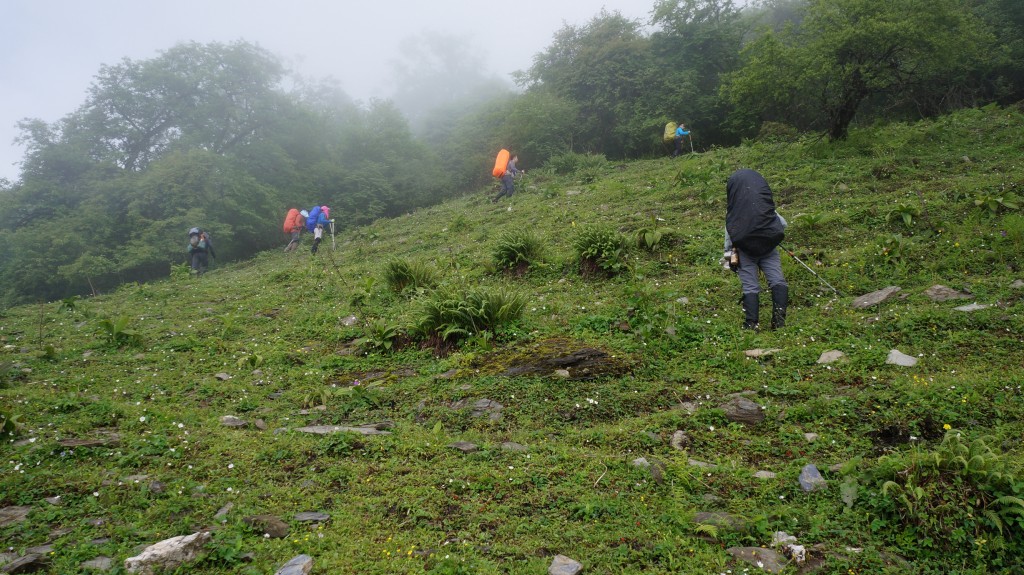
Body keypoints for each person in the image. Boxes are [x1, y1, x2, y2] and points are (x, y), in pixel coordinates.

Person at [722, 169, 788, 329]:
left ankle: (752, 323)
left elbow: (729, 239)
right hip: (769, 248)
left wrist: (729, 257)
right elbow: (782, 224)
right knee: (777, 280)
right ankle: (778, 321)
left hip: (744, 252)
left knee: (750, 286)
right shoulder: (764, 209)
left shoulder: (734, 213)